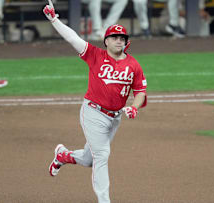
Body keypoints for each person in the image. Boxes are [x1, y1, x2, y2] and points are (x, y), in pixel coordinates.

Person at [43, 1, 148, 202]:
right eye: (114, 37)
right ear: (106, 41)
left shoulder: (134, 65)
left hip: (114, 118)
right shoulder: (94, 55)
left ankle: (63, 155)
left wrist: (134, 107)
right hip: (93, 112)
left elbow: (141, 91)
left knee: (89, 159)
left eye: (122, 38)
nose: (119, 40)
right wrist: (54, 19)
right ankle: (104, 200)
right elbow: (72, 38)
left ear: (127, 42)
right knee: (102, 154)